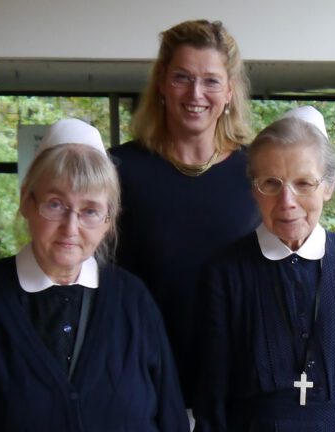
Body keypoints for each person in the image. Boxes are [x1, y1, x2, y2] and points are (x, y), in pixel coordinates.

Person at [0, 119, 189, 431]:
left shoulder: (134, 302)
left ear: (108, 221)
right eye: (55, 204)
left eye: (90, 211)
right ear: (27, 202)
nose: (71, 228)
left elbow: (170, 419)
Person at [194, 106, 335, 431]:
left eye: (304, 183)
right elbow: (213, 398)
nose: (287, 201)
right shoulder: (225, 272)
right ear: (253, 189)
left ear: (328, 187)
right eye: (271, 183)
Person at [108, 19, 261, 410]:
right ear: (161, 83)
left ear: (229, 91)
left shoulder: (259, 174)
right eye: (182, 77)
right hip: (139, 381)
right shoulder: (118, 170)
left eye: (211, 80)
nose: (196, 93)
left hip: (237, 386)